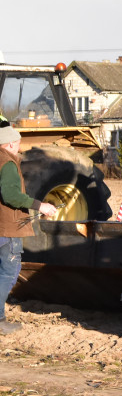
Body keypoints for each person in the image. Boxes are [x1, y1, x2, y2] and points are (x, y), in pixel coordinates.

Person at [0, 124, 57, 333]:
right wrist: (40, 206)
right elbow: (11, 196)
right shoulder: (7, 164)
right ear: (10, 144)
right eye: (18, 143)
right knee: (8, 273)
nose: (20, 147)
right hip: (8, 228)